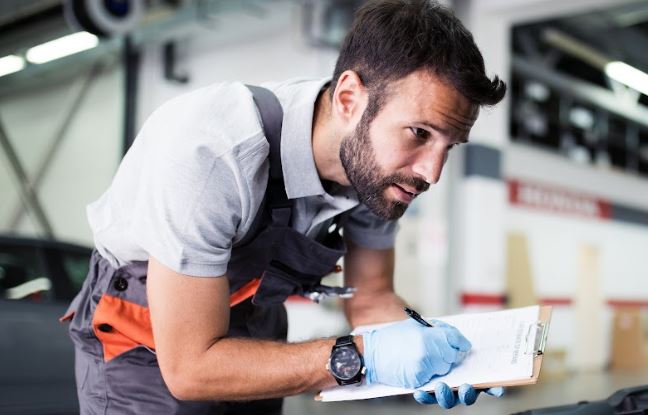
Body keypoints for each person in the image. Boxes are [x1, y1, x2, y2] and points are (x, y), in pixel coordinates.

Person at [61, 0, 506, 412]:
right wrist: (361, 357)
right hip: (145, 342)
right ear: (349, 99)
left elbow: (371, 298)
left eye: (451, 146)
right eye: (419, 133)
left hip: (256, 323)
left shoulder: (380, 176)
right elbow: (191, 368)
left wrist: (441, 355)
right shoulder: (213, 153)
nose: (432, 173)